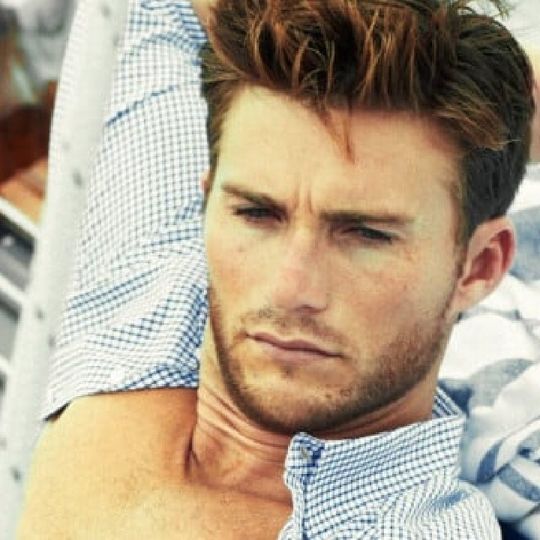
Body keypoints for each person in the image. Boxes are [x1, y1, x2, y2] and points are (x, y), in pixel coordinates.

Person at [16, 0, 536, 538]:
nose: (290, 288)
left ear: (478, 267)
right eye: (256, 214)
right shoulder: (152, 280)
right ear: (208, 203)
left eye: (366, 235)